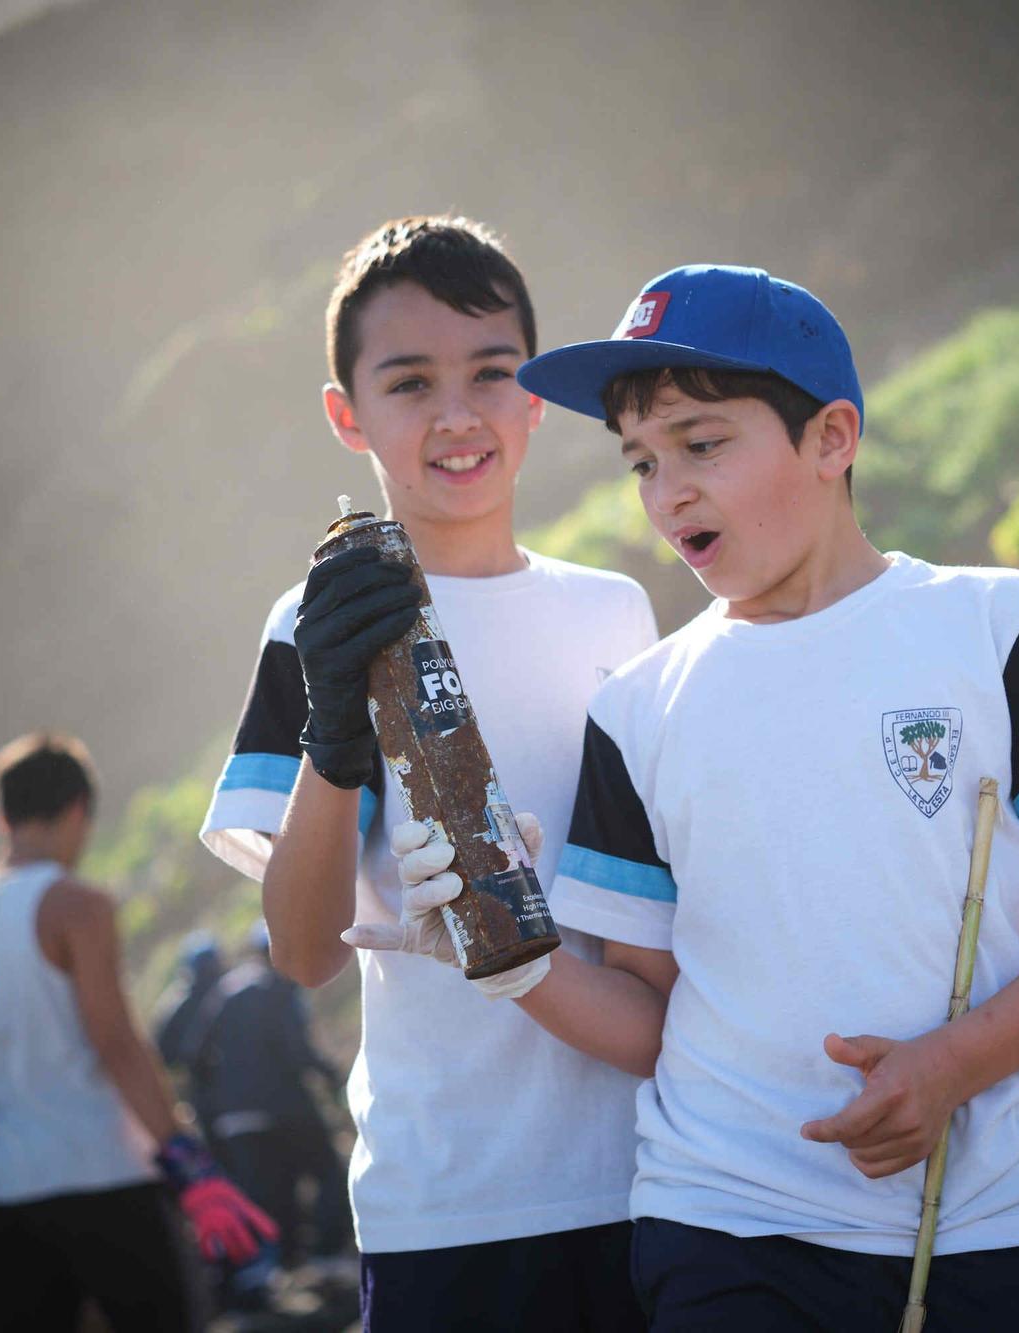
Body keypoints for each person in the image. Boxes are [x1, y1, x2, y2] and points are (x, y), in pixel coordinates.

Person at [352, 264, 1019, 1331]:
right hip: (726, 1230)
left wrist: (948, 1065)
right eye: (642, 462)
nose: (668, 494)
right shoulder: (637, 708)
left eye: (702, 445)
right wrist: (507, 955)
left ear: (832, 437)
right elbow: (652, 1017)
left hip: (998, 1220)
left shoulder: (990, 625)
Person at [198, 215, 657, 1333]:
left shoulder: (618, 610)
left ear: (535, 394)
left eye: (490, 374)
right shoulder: (314, 618)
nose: (457, 416)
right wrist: (333, 737)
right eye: (409, 383)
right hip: (444, 1203)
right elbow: (303, 951)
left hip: (647, 1175)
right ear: (345, 413)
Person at [0, 732, 274, 1332]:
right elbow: (117, 1045)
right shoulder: (75, 904)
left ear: (2, 815)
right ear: (79, 811)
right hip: (104, 1180)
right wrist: (190, 1165)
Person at [183, 921, 350, 1266]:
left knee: (271, 1191)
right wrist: (331, 1076)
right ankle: (327, 1255)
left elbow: (194, 1054)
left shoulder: (226, 990)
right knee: (328, 1172)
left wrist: (217, 1103)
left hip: (237, 1119)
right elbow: (297, 1051)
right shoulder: (280, 989)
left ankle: (280, 1269)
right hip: (285, 1108)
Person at [153, 932, 225, 1136]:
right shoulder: (180, 1006)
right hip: (211, 1096)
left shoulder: (179, 1005)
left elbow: (164, 1056)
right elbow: (166, 1055)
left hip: (209, 1099)